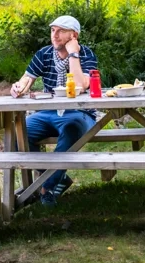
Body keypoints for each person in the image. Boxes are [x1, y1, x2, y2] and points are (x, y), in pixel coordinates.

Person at [10, 14, 98, 206]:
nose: (55, 35)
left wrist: (73, 54)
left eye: (61, 31)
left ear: (74, 35)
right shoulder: (44, 53)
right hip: (47, 112)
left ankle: (46, 189)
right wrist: (18, 86)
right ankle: (57, 178)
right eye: (52, 30)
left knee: (71, 130)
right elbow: (27, 78)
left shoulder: (86, 54)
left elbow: (81, 85)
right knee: (18, 135)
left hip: (80, 113)